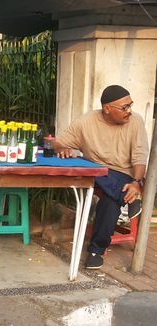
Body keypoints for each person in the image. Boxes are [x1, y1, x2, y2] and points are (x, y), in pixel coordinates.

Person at [53, 85, 149, 270]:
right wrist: (61, 148)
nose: (129, 111)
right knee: (85, 165)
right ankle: (128, 202)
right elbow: (59, 142)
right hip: (96, 171)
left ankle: (96, 250)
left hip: (124, 175)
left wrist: (136, 183)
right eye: (124, 107)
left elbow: (140, 155)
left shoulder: (135, 121)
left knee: (110, 201)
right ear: (107, 109)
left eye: (130, 105)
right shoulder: (86, 121)